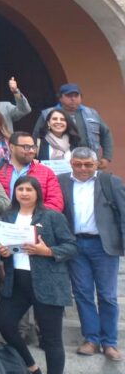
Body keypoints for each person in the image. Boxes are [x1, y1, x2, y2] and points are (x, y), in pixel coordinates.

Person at [0, 176, 78, 374]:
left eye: (29, 189)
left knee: (51, 338)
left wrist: (47, 250)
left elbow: (72, 246)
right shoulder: (8, 217)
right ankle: (32, 367)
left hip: (48, 283)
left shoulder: (52, 217)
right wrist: (3, 252)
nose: (24, 193)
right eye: (19, 189)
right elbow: (4, 250)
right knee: (4, 322)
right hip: (17, 282)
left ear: (37, 193)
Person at [57, 147, 125, 362]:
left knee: (107, 296)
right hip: (75, 246)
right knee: (83, 294)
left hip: (103, 245)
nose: (83, 168)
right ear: (71, 164)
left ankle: (110, 343)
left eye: (88, 164)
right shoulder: (62, 182)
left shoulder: (109, 182)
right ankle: (91, 339)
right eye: (78, 164)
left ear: (96, 164)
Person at [34, 83, 114, 169]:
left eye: (76, 96)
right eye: (69, 96)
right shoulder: (48, 114)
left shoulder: (91, 113)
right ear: (60, 98)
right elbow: (36, 136)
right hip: (59, 163)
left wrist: (106, 157)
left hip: (89, 161)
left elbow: (106, 134)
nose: (73, 99)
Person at [0, 132, 64, 212]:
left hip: (34, 222)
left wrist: (31, 215)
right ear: (12, 147)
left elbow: (56, 203)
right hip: (1, 221)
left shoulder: (46, 172)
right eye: (26, 147)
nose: (31, 151)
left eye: (33, 147)